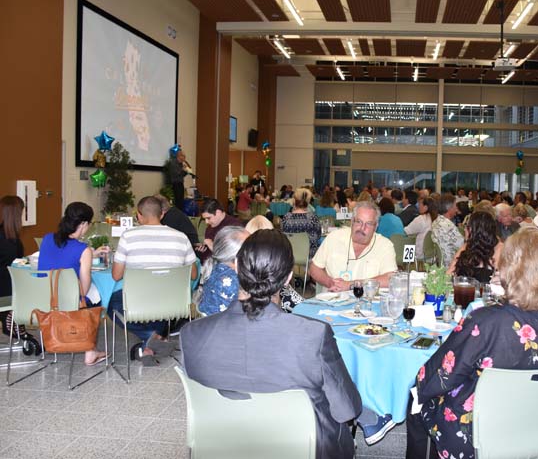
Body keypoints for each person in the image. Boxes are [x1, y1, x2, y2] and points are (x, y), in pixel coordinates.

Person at [181, 230, 362, 459]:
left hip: (223, 446)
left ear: (236, 265)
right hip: (301, 448)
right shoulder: (312, 334)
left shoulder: (191, 334)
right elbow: (347, 408)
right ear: (287, 278)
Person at [407, 228, 538, 458]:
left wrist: (418, 386)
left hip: (483, 435)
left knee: (416, 396)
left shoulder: (486, 322)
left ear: (508, 270)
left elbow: (438, 376)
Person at [110, 196, 197, 366]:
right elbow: (192, 275)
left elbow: (116, 276)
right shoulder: (181, 237)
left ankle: (150, 338)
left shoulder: (128, 236)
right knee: (160, 305)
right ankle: (154, 340)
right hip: (174, 301)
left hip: (139, 300)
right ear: (162, 214)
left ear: (139, 215)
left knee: (111, 303)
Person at [38, 202, 108, 366]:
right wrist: (89, 255)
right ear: (83, 224)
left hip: (46, 299)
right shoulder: (83, 249)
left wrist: (91, 253)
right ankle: (90, 352)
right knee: (96, 298)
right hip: (69, 304)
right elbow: (83, 289)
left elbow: (59, 256)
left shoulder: (48, 238)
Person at [309, 201, 397, 291]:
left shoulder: (385, 245)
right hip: (332, 301)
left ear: (376, 226)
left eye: (369, 224)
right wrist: (330, 282)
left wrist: (352, 285)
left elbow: (390, 279)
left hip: (367, 301)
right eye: (358, 222)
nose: (362, 228)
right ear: (352, 221)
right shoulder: (334, 237)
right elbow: (314, 268)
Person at [0, 196, 31, 345]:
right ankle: (12, 319)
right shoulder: (10, 240)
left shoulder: (6, 235)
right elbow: (13, 264)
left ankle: (11, 319)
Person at [447, 211, 502, 284]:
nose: (464, 229)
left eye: (467, 227)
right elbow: (449, 274)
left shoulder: (500, 249)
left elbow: (500, 281)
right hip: (462, 291)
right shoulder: (466, 247)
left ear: (476, 231)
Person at [280, 188, 322, 258]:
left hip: (290, 255)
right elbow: (318, 237)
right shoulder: (313, 218)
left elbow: (283, 237)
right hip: (308, 255)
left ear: (295, 201)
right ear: (308, 202)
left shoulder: (286, 217)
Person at [430, 194, 464, 269]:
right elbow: (462, 246)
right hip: (451, 264)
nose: (456, 209)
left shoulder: (435, 222)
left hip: (439, 262)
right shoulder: (448, 226)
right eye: (455, 206)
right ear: (449, 208)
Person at [405, 197, 434, 262]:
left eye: (420, 205)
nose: (418, 207)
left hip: (419, 253)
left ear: (425, 207)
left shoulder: (421, 219)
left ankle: (406, 267)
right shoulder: (435, 219)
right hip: (431, 253)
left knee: (404, 241)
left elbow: (406, 231)